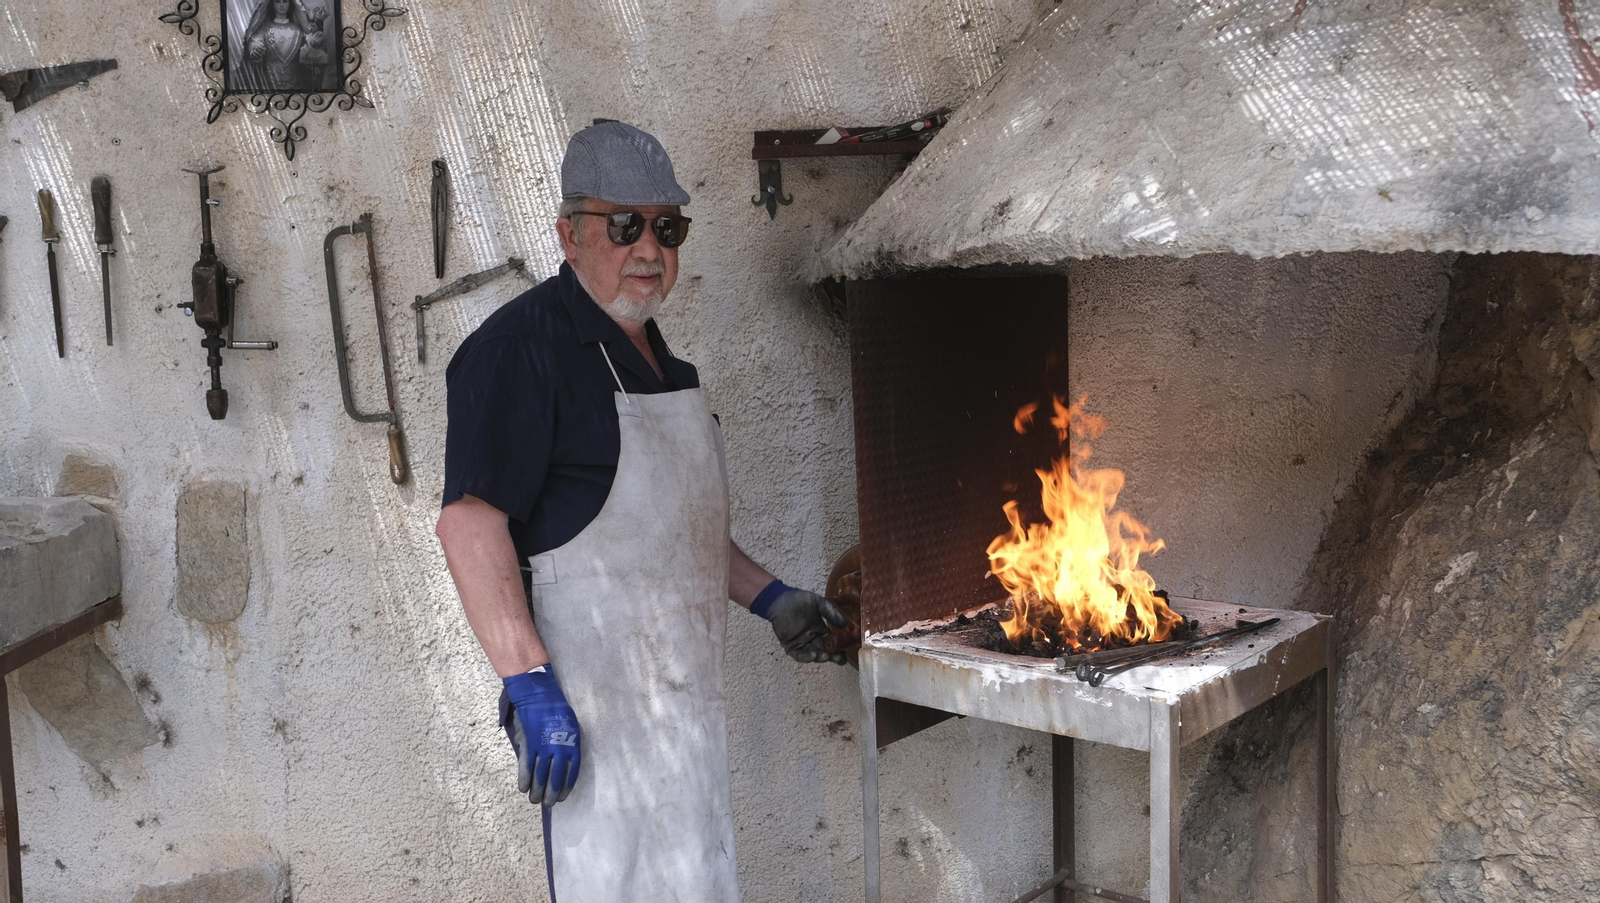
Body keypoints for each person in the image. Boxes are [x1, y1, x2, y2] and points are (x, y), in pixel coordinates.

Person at [435, 120, 849, 903]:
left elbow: (676, 536)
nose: (649, 250)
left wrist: (769, 597)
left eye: (666, 227)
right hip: (594, 725)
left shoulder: (670, 368)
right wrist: (529, 681)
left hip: (686, 717)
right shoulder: (517, 351)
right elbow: (470, 524)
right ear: (569, 233)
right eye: (623, 226)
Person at [240, 0, 319, 90]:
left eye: (285, 1)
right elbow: (255, 41)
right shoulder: (265, 29)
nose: (281, 5)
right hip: (270, 86)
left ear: (290, 4)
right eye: (277, 2)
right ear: (272, 4)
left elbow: (310, 45)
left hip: (296, 87)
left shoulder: (298, 30)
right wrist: (256, 49)